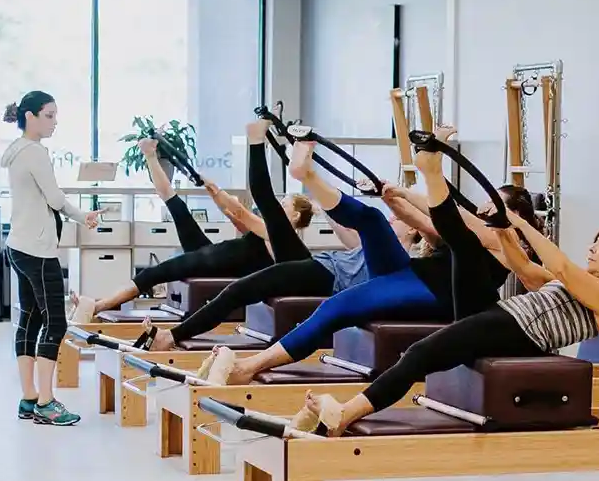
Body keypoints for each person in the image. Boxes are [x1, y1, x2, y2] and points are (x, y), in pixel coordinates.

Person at [205, 125, 547, 385]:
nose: (486, 206)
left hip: (437, 295)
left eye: (495, 203)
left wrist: (423, 176)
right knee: (370, 219)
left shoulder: (503, 240)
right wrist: (392, 198)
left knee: (336, 307)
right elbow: (426, 223)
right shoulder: (472, 232)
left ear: (513, 217)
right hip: (413, 273)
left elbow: (455, 217)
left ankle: (249, 367)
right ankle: (306, 175)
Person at [292, 194, 599, 436]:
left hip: (519, 330)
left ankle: (345, 415)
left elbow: (559, 266)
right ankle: (335, 421)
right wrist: (505, 232)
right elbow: (527, 270)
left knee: (419, 354)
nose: (593, 247)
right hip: (506, 318)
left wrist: (523, 223)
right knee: (423, 349)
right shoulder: (583, 287)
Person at [145, 125, 437, 352]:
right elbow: (350, 223)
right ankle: (302, 170)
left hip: (326, 277)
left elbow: (429, 228)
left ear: (413, 229)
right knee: (240, 289)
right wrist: (327, 202)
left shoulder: (407, 265)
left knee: (244, 279)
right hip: (321, 266)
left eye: (399, 219)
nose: (392, 219)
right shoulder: (364, 246)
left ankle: (280, 155)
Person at [70, 119, 315, 319]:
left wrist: (218, 192)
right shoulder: (268, 232)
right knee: (177, 207)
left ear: (295, 216)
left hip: (217, 262)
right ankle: (150, 155)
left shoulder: (283, 240)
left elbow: (241, 212)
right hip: (215, 255)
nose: (277, 207)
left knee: (159, 271)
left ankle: (98, 305)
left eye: (284, 204)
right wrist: (214, 191)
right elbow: (235, 215)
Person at [2, 90, 101, 427]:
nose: (55, 121)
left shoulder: (16, 152)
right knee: (55, 322)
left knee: (29, 318)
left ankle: (29, 397)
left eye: (56, 115)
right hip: (38, 251)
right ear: (29, 116)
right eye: (49, 115)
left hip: (18, 246)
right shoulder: (34, 153)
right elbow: (56, 198)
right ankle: (46, 401)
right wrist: (83, 215)